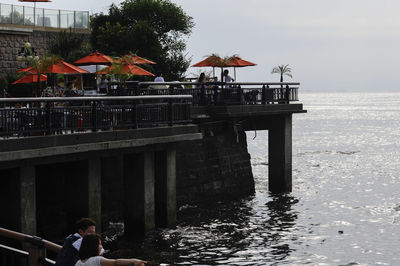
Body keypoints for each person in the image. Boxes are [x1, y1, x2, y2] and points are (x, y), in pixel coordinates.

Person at [75, 234, 146, 266]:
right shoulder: (96, 260)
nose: (101, 246)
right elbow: (116, 262)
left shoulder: (78, 263)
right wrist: (134, 260)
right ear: (93, 247)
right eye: (99, 244)